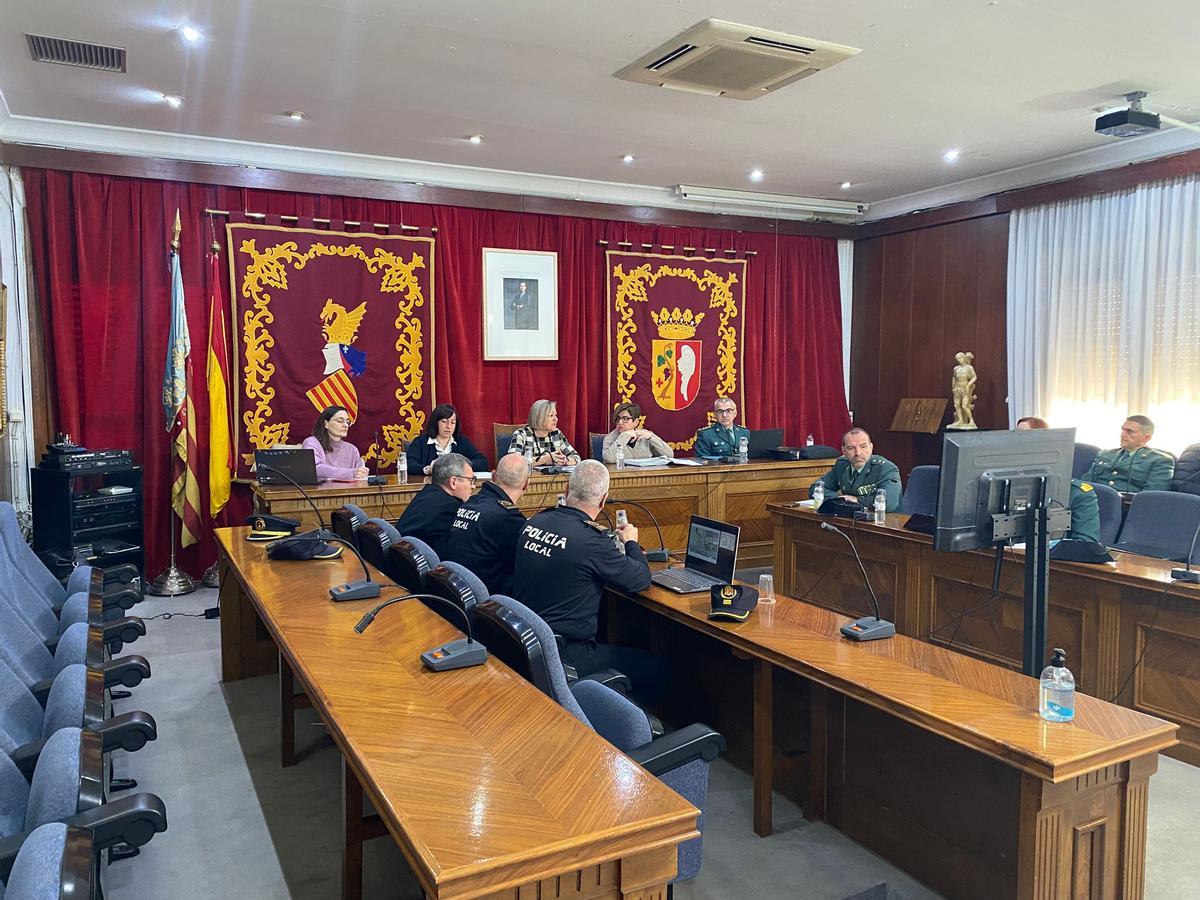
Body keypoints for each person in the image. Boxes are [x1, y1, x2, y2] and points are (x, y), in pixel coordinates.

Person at [510, 460, 667, 699]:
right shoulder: (591, 540)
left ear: (565, 490)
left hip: (527, 642)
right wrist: (631, 541)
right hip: (566, 653)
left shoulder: (534, 522)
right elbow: (640, 579)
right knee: (660, 668)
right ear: (603, 500)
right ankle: (630, 728)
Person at [440, 454, 530, 595]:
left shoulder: (471, 502)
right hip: (484, 600)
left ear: (493, 476)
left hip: (453, 588)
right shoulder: (509, 518)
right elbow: (525, 565)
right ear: (526, 484)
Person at [1015, 417, 1101, 543]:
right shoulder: (1007, 486)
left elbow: (1086, 543)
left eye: (1022, 434)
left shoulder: (1078, 494)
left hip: (1053, 558)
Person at [394, 454, 476, 554]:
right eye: (471, 480)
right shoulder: (450, 508)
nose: (473, 486)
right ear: (453, 482)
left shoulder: (427, 493)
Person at [812, 427, 902, 511]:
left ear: (871, 448)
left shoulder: (885, 468)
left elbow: (889, 503)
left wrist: (857, 500)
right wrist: (841, 499)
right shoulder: (842, 465)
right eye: (851, 448)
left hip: (884, 522)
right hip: (852, 519)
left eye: (863, 446)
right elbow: (815, 488)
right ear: (843, 451)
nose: (858, 453)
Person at [1083, 415, 1175, 493]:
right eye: (1122, 430)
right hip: (1091, 503)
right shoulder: (1105, 454)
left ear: (1146, 438)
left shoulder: (1160, 460)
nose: (1122, 434)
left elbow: (1151, 496)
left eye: (1130, 431)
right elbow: (1084, 483)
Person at [406, 404, 489, 476]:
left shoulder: (461, 441)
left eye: (452, 422)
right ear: (435, 422)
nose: (448, 426)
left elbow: (482, 461)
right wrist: (428, 469)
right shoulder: (421, 442)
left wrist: (460, 467)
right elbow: (409, 464)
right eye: (444, 422)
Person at [302, 405, 368, 482]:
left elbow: (360, 476)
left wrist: (361, 473)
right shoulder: (312, 443)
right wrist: (352, 473)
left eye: (347, 422)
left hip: (348, 492)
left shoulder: (352, 449)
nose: (345, 425)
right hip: (320, 492)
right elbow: (316, 469)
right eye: (340, 421)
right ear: (326, 424)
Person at [507, 399, 581, 466]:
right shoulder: (521, 434)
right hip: (529, 479)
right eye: (551, 415)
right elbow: (513, 462)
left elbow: (577, 458)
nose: (556, 419)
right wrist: (544, 459)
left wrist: (564, 460)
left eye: (556, 415)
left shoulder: (556, 433)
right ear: (539, 417)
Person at [602, 402, 674, 463]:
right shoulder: (610, 437)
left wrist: (651, 437)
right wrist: (625, 435)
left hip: (646, 476)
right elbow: (609, 459)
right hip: (622, 477)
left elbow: (669, 455)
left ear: (636, 422)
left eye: (625, 419)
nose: (620, 422)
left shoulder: (644, 436)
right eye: (618, 419)